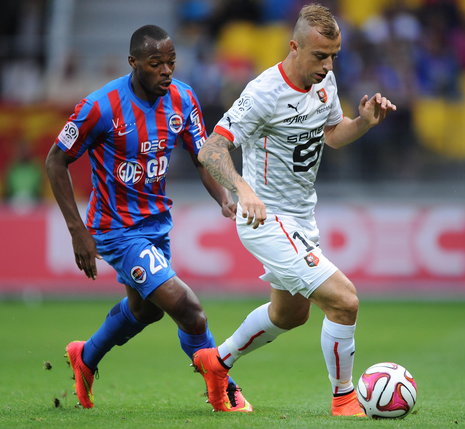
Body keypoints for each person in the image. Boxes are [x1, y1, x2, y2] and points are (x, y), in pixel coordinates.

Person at [192, 3, 396, 416]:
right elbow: (210, 149)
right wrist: (243, 188)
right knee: (345, 301)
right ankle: (345, 398)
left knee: (289, 314)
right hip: (265, 218)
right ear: (294, 47)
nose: (327, 65)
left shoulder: (325, 82)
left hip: (301, 219)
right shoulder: (263, 92)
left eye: (333, 56)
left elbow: (332, 136)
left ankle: (217, 362)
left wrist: (363, 122)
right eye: (320, 56)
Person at [45, 25, 251, 412]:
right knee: (189, 311)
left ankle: (85, 357)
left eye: (171, 62)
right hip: (117, 230)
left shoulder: (183, 98)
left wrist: (223, 197)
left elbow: (202, 155)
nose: (166, 71)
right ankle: (225, 389)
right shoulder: (100, 106)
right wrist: (77, 231)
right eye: (156, 63)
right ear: (134, 63)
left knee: (147, 310)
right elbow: (56, 160)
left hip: (156, 224)